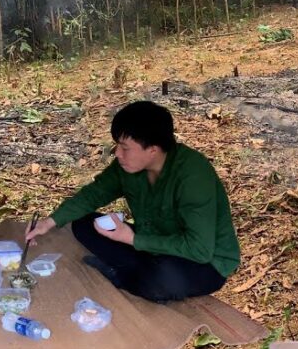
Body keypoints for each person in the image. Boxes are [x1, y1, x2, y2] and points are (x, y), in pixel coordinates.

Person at [25, 100, 240, 303]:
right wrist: (50, 222)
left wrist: (134, 240)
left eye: (125, 147)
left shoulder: (193, 176)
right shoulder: (128, 167)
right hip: (153, 243)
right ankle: (133, 270)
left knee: (160, 279)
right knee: (84, 223)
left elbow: (199, 249)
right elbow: (93, 194)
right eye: (117, 145)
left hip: (205, 262)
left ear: (153, 149)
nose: (117, 153)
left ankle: (126, 275)